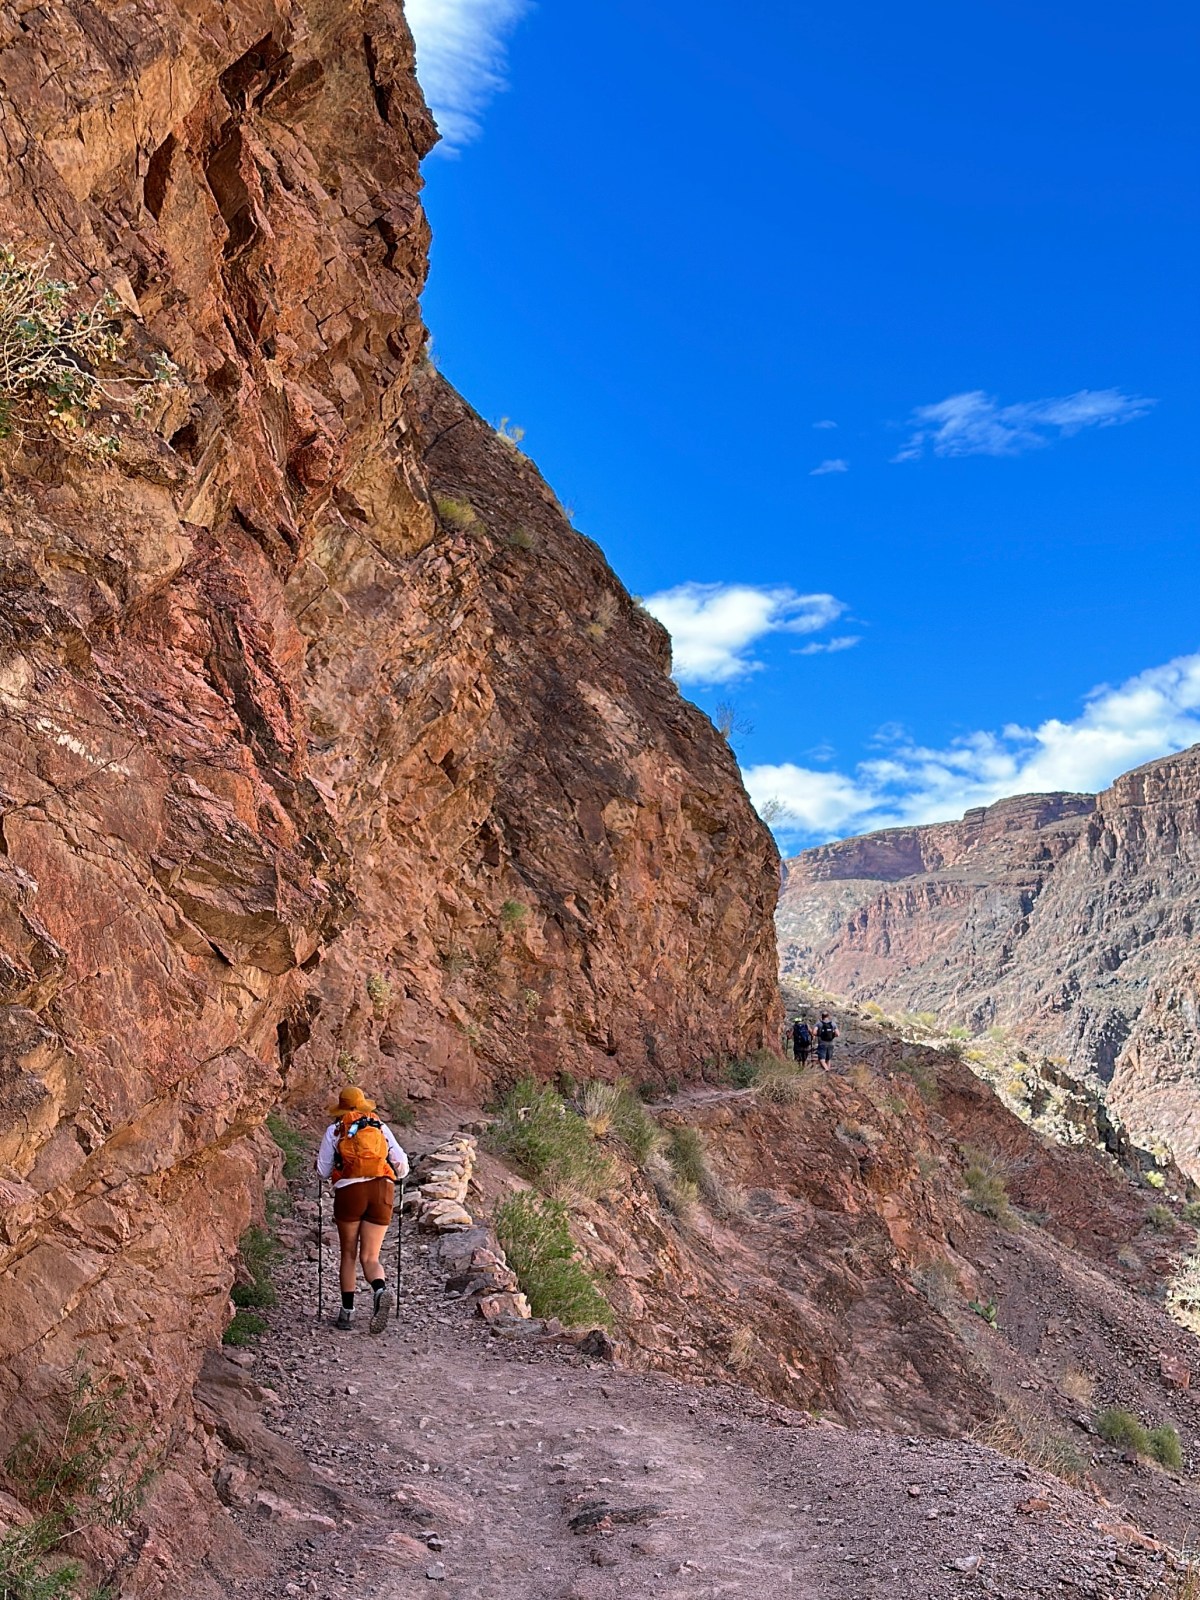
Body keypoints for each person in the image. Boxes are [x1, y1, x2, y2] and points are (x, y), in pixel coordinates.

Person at [316, 1086, 410, 1333]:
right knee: (370, 1256)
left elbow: (322, 1171)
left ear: (341, 1108)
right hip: (381, 1190)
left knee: (348, 1254)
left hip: (350, 1193)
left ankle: (347, 1313)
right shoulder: (379, 1127)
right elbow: (401, 1165)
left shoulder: (335, 1130)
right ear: (362, 1105)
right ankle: (380, 1290)